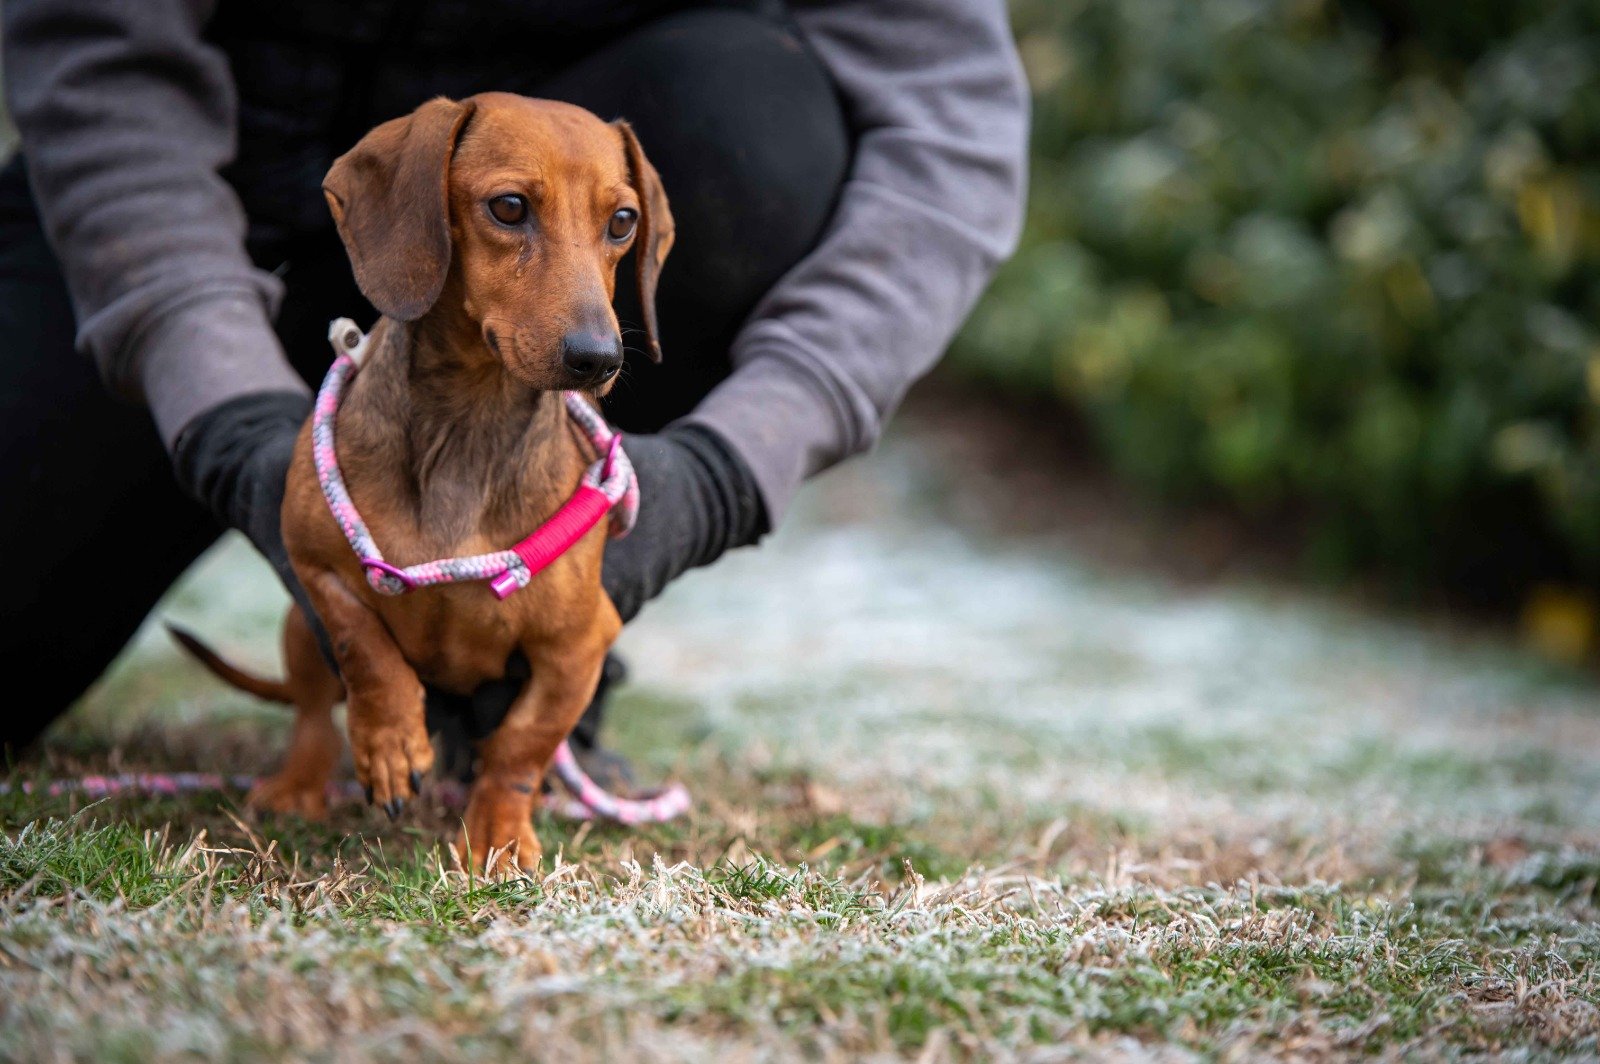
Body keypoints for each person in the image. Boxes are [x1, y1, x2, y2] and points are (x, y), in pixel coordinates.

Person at [0, 0, 1029, 773]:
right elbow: (95, 45)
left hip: (592, 195)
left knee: (753, 115)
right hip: (185, 217)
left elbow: (950, 132)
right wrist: (219, 407)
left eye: (626, 229)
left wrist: (726, 471)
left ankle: (512, 686)